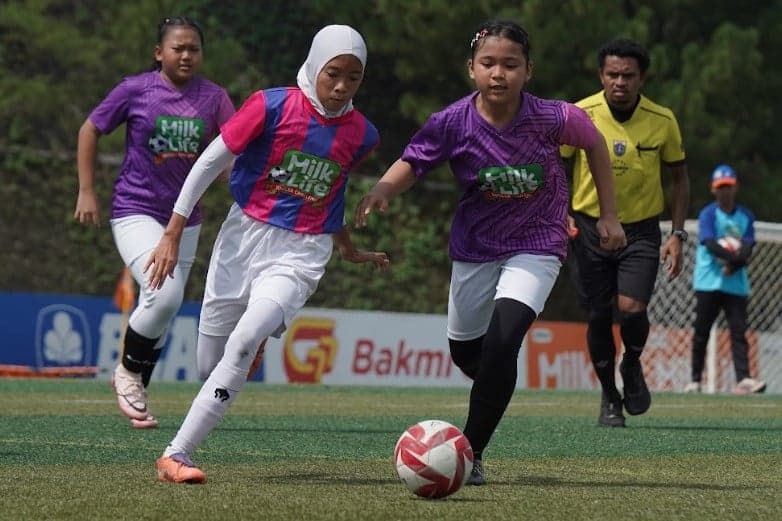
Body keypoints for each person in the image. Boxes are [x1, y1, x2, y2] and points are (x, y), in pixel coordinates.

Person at [356, 20, 626, 486]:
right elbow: (414, 161)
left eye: (510, 64)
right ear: (472, 69)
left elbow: (596, 144)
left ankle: (470, 452)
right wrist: (383, 188)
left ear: (528, 70)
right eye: (489, 64)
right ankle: (495, 386)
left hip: (537, 244)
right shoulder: (453, 121)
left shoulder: (555, 117)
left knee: (504, 341)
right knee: (467, 354)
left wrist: (609, 214)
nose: (498, 73)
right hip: (475, 250)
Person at [145, 24, 381, 483]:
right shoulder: (270, 105)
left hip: (302, 252)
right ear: (314, 65)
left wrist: (347, 248)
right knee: (208, 364)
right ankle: (243, 355)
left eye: (353, 78)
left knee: (244, 338)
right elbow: (210, 161)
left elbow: (330, 196)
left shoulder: (362, 134)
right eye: (333, 73)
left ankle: (176, 455)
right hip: (243, 236)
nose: (340, 86)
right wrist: (173, 229)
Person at [74, 16, 235, 429]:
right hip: (136, 210)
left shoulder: (215, 98)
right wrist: (86, 189)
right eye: (177, 48)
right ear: (158, 53)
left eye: (193, 49)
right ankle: (127, 373)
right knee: (163, 295)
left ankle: (136, 393)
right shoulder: (135, 89)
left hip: (186, 220)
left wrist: (233, 175)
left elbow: (234, 150)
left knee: (164, 306)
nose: (186, 55)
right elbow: (91, 128)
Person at [561, 38, 690, 427]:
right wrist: (559, 212)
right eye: (613, 74)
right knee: (599, 316)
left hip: (641, 231)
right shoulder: (579, 114)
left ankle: (631, 363)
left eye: (628, 75)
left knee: (632, 310)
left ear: (642, 78)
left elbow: (680, 179)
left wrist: (678, 234)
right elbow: (554, 166)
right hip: (588, 228)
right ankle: (609, 397)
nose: (620, 82)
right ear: (601, 75)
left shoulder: (663, 119)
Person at [685, 164, 766, 394]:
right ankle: (695, 380)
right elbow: (709, 243)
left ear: (735, 187)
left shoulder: (746, 216)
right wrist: (734, 258)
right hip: (708, 281)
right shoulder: (709, 214)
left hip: (735, 284)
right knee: (701, 331)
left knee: (739, 332)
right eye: (721, 187)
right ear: (714, 189)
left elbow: (749, 246)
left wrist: (735, 262)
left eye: (728, 187)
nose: (725, 192)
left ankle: (744, 378)